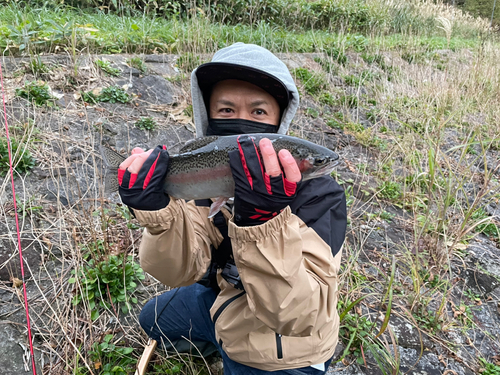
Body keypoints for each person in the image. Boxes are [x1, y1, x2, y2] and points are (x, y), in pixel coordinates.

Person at [117, 43, 347, 374]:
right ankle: (214, 341)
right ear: (207, 117)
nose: (241, 121)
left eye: (258, 112)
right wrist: (158, 214)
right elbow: (177, 271)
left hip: (285, 346)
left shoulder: (320, 196)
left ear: (280, 121)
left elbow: (300, 315)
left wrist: (263, 223)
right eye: (226, 110)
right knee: (151, 318)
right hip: (225, 301)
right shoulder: (203, 187)